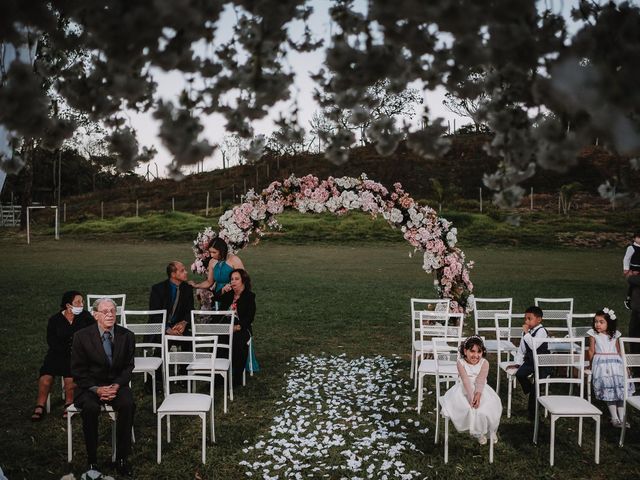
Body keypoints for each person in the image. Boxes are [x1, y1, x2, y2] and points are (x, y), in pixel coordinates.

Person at [70, 298, 136, 477]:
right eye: (105, 311)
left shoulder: (127, 336)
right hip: (89, 386)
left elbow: (129, 367)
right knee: (90, 408)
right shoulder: (81, 337)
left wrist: (116, 385)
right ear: (95, 315)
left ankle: (122, 459)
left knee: (128, 404)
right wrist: (96, 389)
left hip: (116, 384)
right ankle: (92, 461)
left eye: (112, 311)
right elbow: (78, 371)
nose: (109, 315)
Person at [31, 291, 94, 421]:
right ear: (68, 305)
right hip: (57, 353)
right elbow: (51, 340)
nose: (81, 305)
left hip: (77, 354)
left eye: (82, 302)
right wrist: (64, 350)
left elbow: (93, 332)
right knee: (46, 378)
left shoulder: (86, 317)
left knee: (70, 376)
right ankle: (40, 405)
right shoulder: (55, 320)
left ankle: (69, 403)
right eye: (77, 302)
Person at [439, 336, 502, 444]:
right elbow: (466, 381)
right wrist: (471, 397)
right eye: (472, 351)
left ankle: (488, 431)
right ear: (465, 351)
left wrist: (477, 395)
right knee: (469, 408)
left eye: (479, 352)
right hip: (464, 389)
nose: (475, 355)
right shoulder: (460, 362)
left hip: (481, 389)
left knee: (488, 407)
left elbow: (481, 380)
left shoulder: (484, 363)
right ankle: (478, 432)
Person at [587, 308, 635, 427]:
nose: (597, 324)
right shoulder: (593, 334)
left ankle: (622, 417)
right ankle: (614, 417)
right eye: (596, 321)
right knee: (609, 390)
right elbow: (591, 350)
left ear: (609, 323)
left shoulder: (615, 335)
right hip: (602, 364)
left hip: (616, 364)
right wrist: (591, 364)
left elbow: (619, 351)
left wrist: (626, 366)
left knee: (619, 389)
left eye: (601, 322)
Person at [213, 268, 255, 385]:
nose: (233, 282)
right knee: (220, 342)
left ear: (243, 281)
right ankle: (218, 377)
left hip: (241, 327)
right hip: (225, 326)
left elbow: (249, 317)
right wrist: (222, 291)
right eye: (231, 279)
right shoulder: (229, 294)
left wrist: (237, 327)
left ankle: (237, 376)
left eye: (237, 279)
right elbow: (214, 299)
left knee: (238, 342)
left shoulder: (249, 296)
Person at [509, 306, 549, 419]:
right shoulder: (527, 333)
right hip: (531, 362)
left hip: (542, 363)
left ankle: (532, 413)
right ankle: (530, 389)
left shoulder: (541, 331)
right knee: (520, 374)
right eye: (525, 318)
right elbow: (522, 349)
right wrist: (517, 362)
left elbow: (533, 345)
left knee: (536, 388)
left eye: (529, 319)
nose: (526, 321)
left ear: (539, 320)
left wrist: (526, 333)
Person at [149, 261, 194, 337]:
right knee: (161, 341)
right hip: (161, 326)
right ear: (173, 274)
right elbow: (154, 313)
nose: (186, 272)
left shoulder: (187, 288)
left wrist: (184, 322)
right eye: (182, 271)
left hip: (178, 326)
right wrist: (167, 329)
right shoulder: (158, 289)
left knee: (189, 340)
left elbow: (190, 309)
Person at [623, 231, 640, 309]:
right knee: (633, 285)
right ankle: (628, 299)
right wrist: (626, 269)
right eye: (639, 238)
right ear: (634, 238)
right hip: (633, 269)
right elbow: (626, 259)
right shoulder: (631, 248)